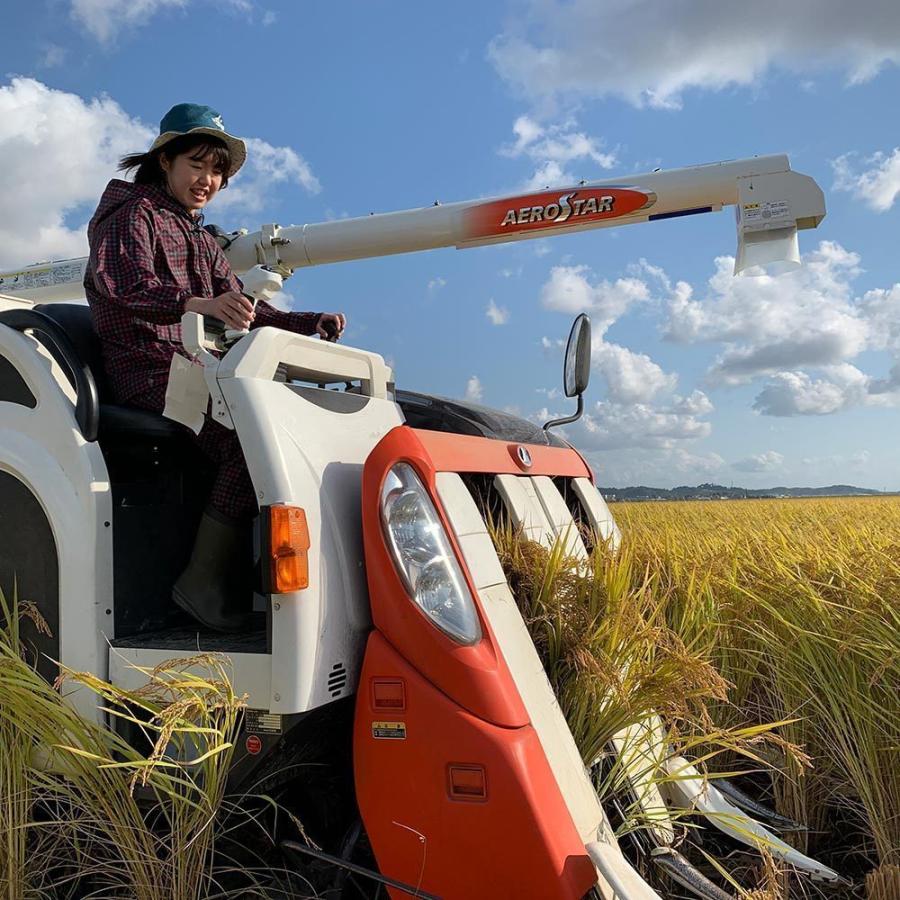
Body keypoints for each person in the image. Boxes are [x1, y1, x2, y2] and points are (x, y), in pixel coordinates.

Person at [84, 102, 346, 632]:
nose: (208, 179)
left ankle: (251, 569)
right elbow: (123, 285)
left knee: (288, 429)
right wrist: (194, 305)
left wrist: (307, 322)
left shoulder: (200, 236)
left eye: (217, 170)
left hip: (193, 365)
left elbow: (242, 306)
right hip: (147, 367)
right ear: (165, 161)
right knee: (246, 440)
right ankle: (204, 582)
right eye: (197, 164)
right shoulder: (130, 215)